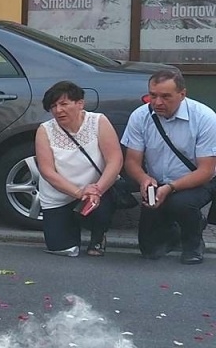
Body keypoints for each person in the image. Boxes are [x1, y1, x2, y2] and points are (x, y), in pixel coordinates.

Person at [122, 68, 216, 265]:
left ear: (182, 95)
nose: (157, 102)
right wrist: (143, 178)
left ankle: (193, 242)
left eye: (166, 97)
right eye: (153, 95)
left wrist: (171, 188)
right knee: (149, 250)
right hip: (157, 181)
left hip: (197, 181)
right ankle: (173, 232)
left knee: (179, 203)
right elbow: (132, 161)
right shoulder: (140, 116)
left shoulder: (205, 118)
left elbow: (206, 170)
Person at [35, 80, 123, 257]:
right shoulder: (44, 130)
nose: (58, 110)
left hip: (96, 190)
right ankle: (67, 227)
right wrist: (78, 192)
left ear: (80, 103)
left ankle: (98, 236)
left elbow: (115, 160)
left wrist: (96, 190)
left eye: (64, 104)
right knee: (62, 249)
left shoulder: (99, 121)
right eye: (53, 106)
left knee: (100, 209)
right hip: (60, 196)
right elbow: (47, 171)